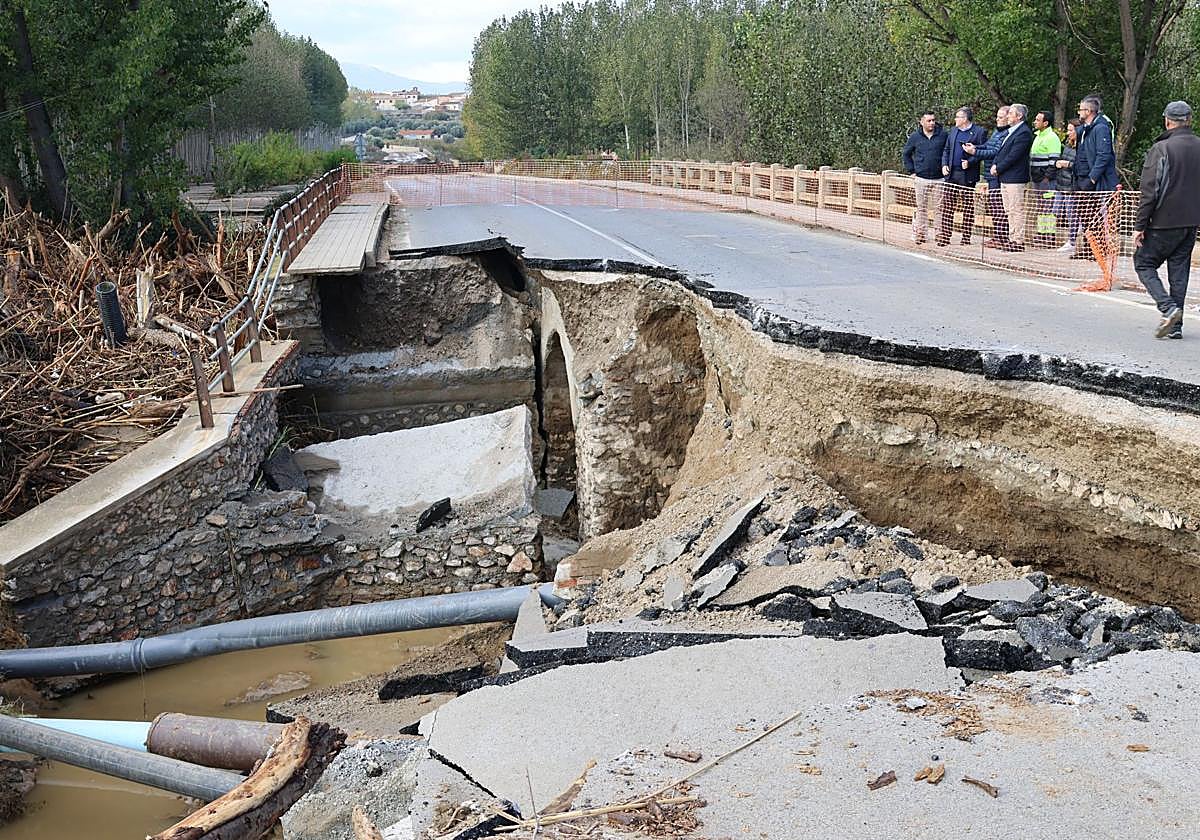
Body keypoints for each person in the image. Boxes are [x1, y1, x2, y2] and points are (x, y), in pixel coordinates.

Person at [1132, 100, 1200, 339]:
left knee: (1143, 263)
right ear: (1189, 120)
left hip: (1163, 221)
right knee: (1179, 272)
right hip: (1190, 221)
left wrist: (1140, 225)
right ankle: (1176, 326)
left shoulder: (1162, 148)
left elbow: (1149, 191)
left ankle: (1168, 308)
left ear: (1167, 121)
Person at [1071, 95, 1120, 259]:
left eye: (1081, 109)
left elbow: (1104, 155)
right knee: (1085, 215)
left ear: (1089, 111)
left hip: (1092, 179)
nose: (1079, 112)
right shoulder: (1086, 128)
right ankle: (1088, 247)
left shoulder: (1101, 128)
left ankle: (1098, 249)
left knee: (1095, 216)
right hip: (1080, 176)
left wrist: (1092, 178)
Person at [937, 106, 988, 245]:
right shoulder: (954, 131)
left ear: (965, 119)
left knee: (968, 206)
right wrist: (944, 164)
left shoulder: (979, 132)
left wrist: (970, 162)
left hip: (967, 174)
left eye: (958, 117)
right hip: (951, 173)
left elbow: (983, 151)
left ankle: (966, 237)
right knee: (948, 205)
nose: (955, 119)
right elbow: (946, 150)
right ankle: (945, 236)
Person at [962, 106, 1010, 247]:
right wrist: (975, 147)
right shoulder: (997, 131)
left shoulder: (1006, 133)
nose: (997, 119)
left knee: (999, 207)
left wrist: (975, 152)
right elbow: (987, 146)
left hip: (997, 174)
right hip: (989, 174)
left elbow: (995, 152)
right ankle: (997, 235)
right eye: (997, 117)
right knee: (994, 206)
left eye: (1000, 117)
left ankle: (1001, 237)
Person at [990, 103, 1033, 251]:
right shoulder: (1011, 131)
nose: (1008, 116)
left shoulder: (1024, 133)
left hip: (1015, 178)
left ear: (1019, 116)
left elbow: (1014, 155)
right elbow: (1002, 152)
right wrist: (995, 164)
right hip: (1006, 177)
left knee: (1016, 209)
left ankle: (1018, 241)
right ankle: (1012, 237)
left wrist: (999, 167)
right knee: (1009, 210)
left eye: (1011, 113)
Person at [902, 111, 946, 244]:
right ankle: (921, 233)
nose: (932, 123)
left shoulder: (943, 135)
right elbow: (906, 154)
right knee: (921, 207)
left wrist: (946, 168)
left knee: (939, 207)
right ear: (922, 122)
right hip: (921, 178)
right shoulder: (915, 137)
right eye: (929, 121)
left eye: (933, 120)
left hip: (939, 178)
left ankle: (939, 234)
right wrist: (912, 171)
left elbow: (948, 151)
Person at [1029, 110, 1063, 246]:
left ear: (1045, 123)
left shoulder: (1052, 137)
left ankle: (1049, 236)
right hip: (1037, 178)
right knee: (1041, 207)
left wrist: (1047, 177)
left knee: (1048, 207)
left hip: (1046, 180)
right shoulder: (1037, 136)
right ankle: (1041, 233)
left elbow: (1054, 160)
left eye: (1038, 120)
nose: (1035, 122)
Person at [1053, 119, 1083, 254]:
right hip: (1061, 182)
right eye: (1068, 130)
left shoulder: (1082, 146)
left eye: (1071, 130)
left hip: (1071, 185)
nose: (1068, 132)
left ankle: (1072, 241)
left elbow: (1080, 165)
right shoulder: (1068, 144)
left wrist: (1069, 165)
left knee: (1072, 213)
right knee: (1056, 210)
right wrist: (1057, 163)